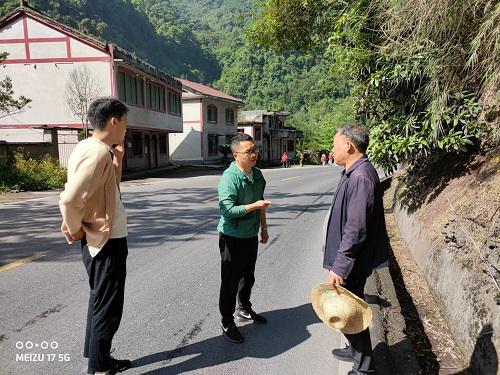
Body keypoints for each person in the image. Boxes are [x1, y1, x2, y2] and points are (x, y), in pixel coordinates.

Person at [59, 97, 131, 375]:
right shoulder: (98, 152)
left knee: (99, 299)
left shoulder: (91, 148)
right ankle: (99, 368)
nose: (125, 129)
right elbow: (69, 199)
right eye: (124, 122)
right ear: (114, 121)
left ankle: (96, 355)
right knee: (108, 306)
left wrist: (119, 161)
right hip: (106, 240)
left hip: (101, 238)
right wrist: (75, 228)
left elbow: (108, 188)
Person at [323, 124, 389, 375]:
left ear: (348, 146)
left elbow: (356, 227)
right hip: (351, 259)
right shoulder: (353, 171)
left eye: (334, 144)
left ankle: (364, 367)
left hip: (353, 262)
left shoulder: (360, 176)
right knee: (347, 307)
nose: (332, 149)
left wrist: (340, 265)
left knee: (351, 311)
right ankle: (354, 350)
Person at [217, 133, 271, 343]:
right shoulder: (229, 178)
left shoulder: (257, 175)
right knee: (230, 281)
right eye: (249, 151)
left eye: (255, 149)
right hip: (232, 237)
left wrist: (264, 228)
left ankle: (244, 309)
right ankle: (227, 321)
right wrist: (254, 207)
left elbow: (262, 203)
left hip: (250, 235)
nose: (254, 153)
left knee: (248, 276)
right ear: (236, 155)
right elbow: (228, 210)